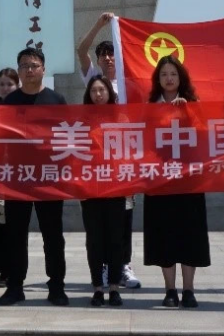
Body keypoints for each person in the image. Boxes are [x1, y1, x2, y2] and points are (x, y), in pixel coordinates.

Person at [0, 48, 69, 307]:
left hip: (49, 177)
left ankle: (56, 286)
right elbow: (0, 141)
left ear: (43, 69)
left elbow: (66, 139)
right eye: (24, 65)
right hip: (18, 178)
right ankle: (15, 286)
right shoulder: (9, 102)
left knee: (53, 235)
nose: (29, 70)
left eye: (34, 65)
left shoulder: (56, 100)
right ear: (18, 70)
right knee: (15, 234)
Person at [75, 12, 142, 288]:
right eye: (103, 55)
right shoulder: (95, 82)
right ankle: (102, 267)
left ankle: (123, 265)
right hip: (96, 163)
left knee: (124, 216)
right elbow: (81, 50)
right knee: (99, 221)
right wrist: (99, 25)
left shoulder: (129, 83)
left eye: (112, 54)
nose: (108, 59)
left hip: (122, 160)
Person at [143, 56, 210, 308]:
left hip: (189, 180)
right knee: (164, 234)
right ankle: (170, 289)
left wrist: (189, 112)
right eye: (164, 75)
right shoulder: (150, 107)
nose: (169, 79)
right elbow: (144, 141)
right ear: (157, 80)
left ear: (181, 78)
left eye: (173, 74)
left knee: (190, 233)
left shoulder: (194, 104)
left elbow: (205, 136)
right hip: (160, 181)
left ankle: (189, 289)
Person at [80, 76, 126, 307]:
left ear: (109, 92)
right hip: (91, 188)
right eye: (94, 91)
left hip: (116, 186)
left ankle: (115, 287)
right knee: (94, 239)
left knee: (116, 238)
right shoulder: (82, 121)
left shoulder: (121, 118)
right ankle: (98, 287)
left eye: (102, 90)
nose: (98, 94)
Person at [0, 68, 19, 290]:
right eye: (2, 84)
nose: (6, 88)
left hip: (19, 175)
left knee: (14, 226)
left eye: (10, 84)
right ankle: (2, 270)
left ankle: (13, 272)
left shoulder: (23, 109)